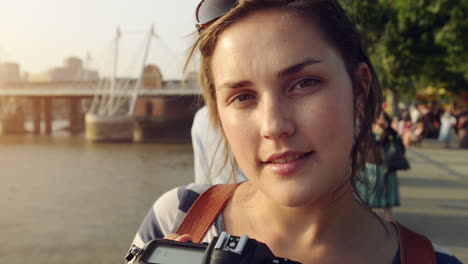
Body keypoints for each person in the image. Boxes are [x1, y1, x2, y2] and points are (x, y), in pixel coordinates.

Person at [127, 0, 461, 263]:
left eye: (305, 84)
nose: (274, 126)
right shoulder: (177, 218)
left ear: (358, 91)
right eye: (242, 97)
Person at [359, 112, 401, 222]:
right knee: (370, 192)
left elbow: (395, 142)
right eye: (379, 118)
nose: (381, 120)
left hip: (388, 165)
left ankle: (389, 219)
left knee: (389, 191)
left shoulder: (389, 131)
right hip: (372, 165)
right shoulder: (366, 131)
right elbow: (363, 145)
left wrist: (387, 130)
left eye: (383, 118)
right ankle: (368, 218)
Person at [191, 105, 248, 184]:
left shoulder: (201, 117)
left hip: (219, 193)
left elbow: (202, 180)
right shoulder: (247, 113)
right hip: (253, 192)